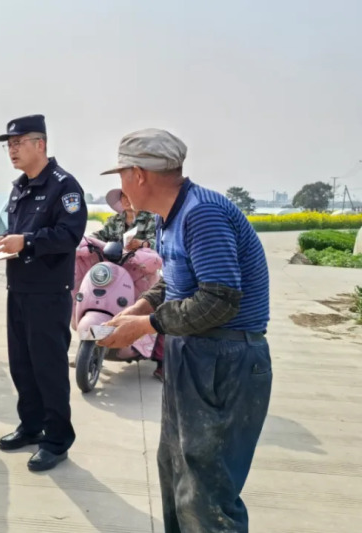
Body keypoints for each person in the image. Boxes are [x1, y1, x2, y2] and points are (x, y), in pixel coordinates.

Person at [97, 128, 272, 532]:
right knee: (177, 469)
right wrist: (138, 309)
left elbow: (219, 299)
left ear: (139, 174)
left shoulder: (202, 214)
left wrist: (146, 325)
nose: (121, 185)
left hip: (224, 360)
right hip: (193, 353)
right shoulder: (169, 217)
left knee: (206, 493)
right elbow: (175, 282)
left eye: (121, 174)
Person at [0, 115, 87, 472]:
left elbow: (69, 235)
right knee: (22, 365)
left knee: (49, 368)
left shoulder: (64, 186)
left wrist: (26, 242)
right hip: (19, 289)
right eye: (9, 145)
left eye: (18, 143)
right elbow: (21, 233)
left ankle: (56, 440)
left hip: (48, 293)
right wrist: (5, 242)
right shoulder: (20, 187)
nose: (12, 150)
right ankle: (30, 426)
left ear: (40, 144)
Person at [96, 188, 164, 381]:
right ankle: (95, 344)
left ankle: (162, 362)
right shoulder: (114, 221)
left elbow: (159, 242)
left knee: (155, 307)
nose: (126, 200)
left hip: (143, 272)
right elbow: (98, 237)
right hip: (116, 272)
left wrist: (141, 244)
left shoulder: (150, 219)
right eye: (123, 197)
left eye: (129, 196)